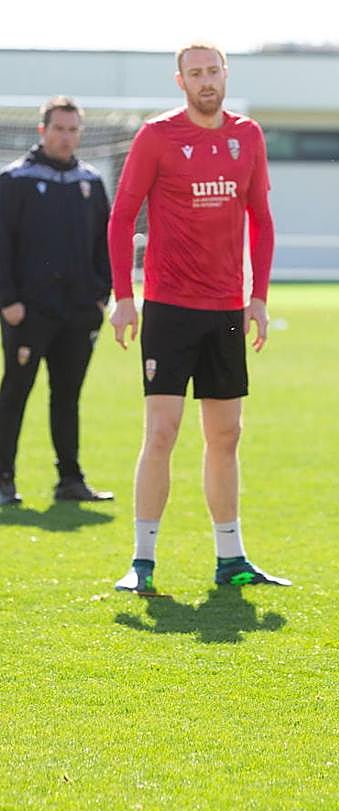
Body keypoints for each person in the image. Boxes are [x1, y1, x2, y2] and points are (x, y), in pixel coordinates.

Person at [108, 43, 287, 594]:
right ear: (180, 80)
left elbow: (262, 219)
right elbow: (122, 217)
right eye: (196, 73)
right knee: (162, 431)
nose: (206, 80)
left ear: (225, 74)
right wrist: (124, 296)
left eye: (213, 70)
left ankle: (231, 558)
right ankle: (141, 561)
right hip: (168, 308)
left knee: (226, 434)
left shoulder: (248, 135)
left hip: (227, 308)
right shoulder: (156, 135)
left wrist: (258, 297)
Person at [0, 97, 113, 506]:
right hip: (28, 312)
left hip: (79, 313)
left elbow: (105, 242)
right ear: (42, 131)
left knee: (67, 396)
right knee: (15, 393)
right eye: (59, 129)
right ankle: (3, 480)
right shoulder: (15, 179)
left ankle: (70, 480)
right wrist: (8, 300)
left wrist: (101, 297)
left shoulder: (90, 182)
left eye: (72, 130)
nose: (66, 137)